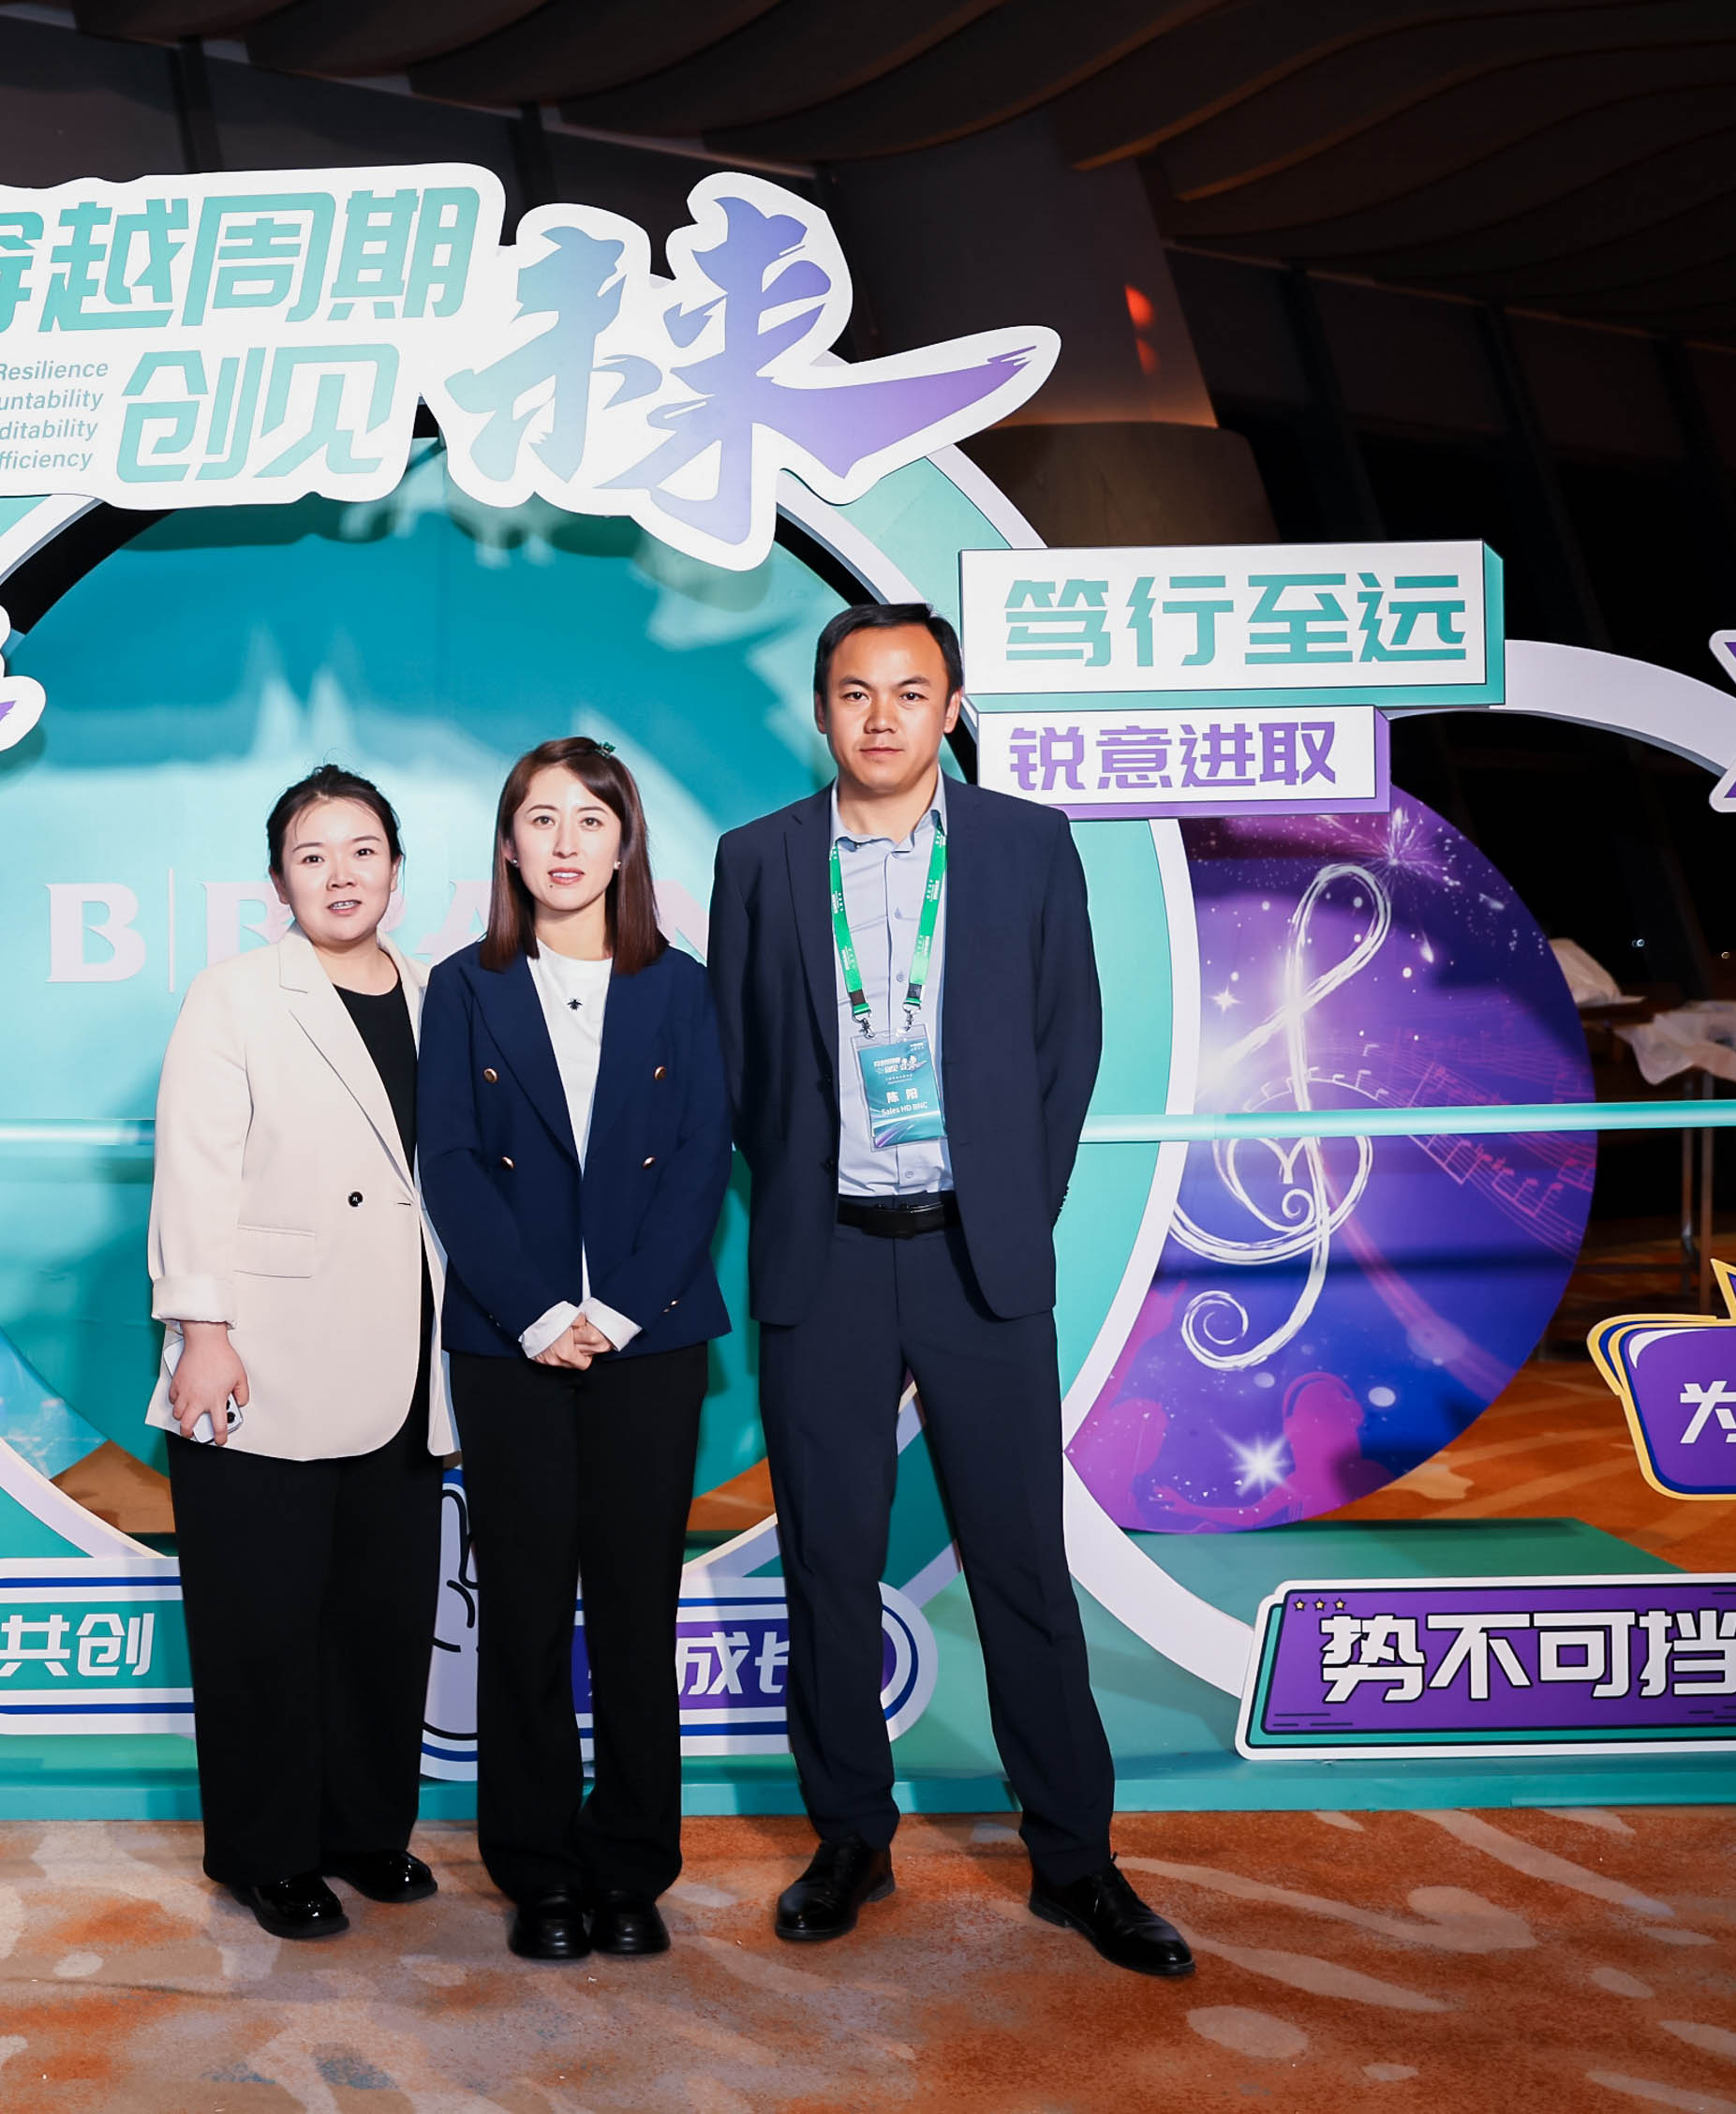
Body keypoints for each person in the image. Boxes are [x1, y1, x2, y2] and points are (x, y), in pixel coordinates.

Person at [707, 604, 1193, 1979]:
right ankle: (849, 1839)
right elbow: (741, 1063)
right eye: (856, 692)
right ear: (823, 710)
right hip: (827, 1258)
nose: (882, 717)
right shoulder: (758, 859)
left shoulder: (1027, 845)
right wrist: (806, 1191)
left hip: (979, 1258)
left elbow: (1068, 1044)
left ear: (952, 708)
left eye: (910, 692)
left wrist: (1007, 1212)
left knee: (1021, 1563)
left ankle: (1076, 1861)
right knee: (828, 1561)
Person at [420, 738, 731, 1964]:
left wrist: (628, 1309)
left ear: (624, 842)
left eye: (589, 820)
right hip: (513, 1349)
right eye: (540, 819)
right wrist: (542, 1314)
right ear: (508, 846)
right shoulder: (465, 987)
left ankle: (633, 1868)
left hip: (652, 1346)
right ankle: (539, 1871)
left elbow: (703, 1157)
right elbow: (451, 1162)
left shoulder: (682, 987)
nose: (564, 842)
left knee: (640, 1612)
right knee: (527, 1611)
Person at [149, 764, 455, 1943]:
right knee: (260, 1619)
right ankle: (268, 1853)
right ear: (279, 880)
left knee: (384, 1615)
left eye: (363, 850)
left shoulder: (440, 993)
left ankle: (367, 1830)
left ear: (396, 869)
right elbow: (195, 1168)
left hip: (409, 1358)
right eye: (313, 855)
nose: (341, 873)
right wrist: (202, 1332)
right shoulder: (234, 995)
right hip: (262, 1353)